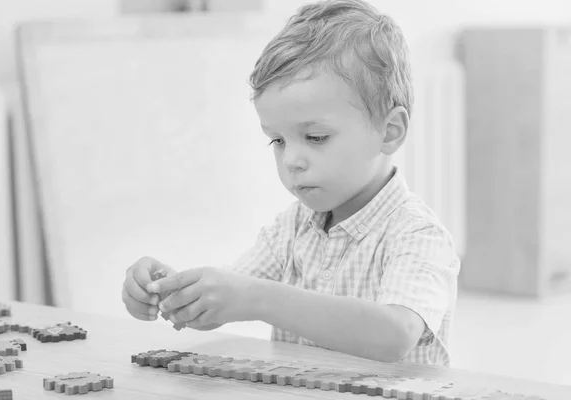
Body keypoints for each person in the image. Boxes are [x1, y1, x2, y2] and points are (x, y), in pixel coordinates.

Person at [121, 0, 460, 366]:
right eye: (277, 140)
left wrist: (260, 298)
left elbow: (394, 336)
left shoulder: (417, 234)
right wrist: (172, 290)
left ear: (389, 131)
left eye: (314, 137)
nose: (291, 160)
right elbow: (225, 300)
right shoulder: (290, 230)